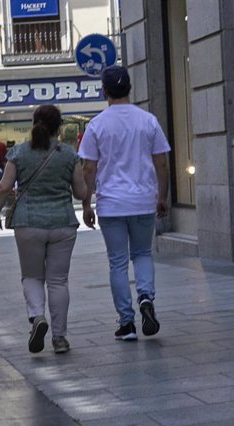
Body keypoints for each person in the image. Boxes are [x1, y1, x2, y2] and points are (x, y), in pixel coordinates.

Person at [79, 65, 170, 341]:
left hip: (112, 204)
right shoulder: (148, 121)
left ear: (104, 90)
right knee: (142, 253)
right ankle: (146, 298)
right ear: (130, 88)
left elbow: (88, 169)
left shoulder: (97, 125)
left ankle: (127, 323)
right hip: (143, 200)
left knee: (117, 262)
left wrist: (86, 202)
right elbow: (162, 162)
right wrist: (162, 196)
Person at [0, 105, 87, 354]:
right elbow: (80, 192)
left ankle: (36, 316)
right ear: (59, 126)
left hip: (28, 223)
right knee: (58, 281)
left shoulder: (19, 152)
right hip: (63, 223)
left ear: (34, 123)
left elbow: (3, 188)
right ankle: (60, 338)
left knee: (32, 276)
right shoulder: (69, 154)